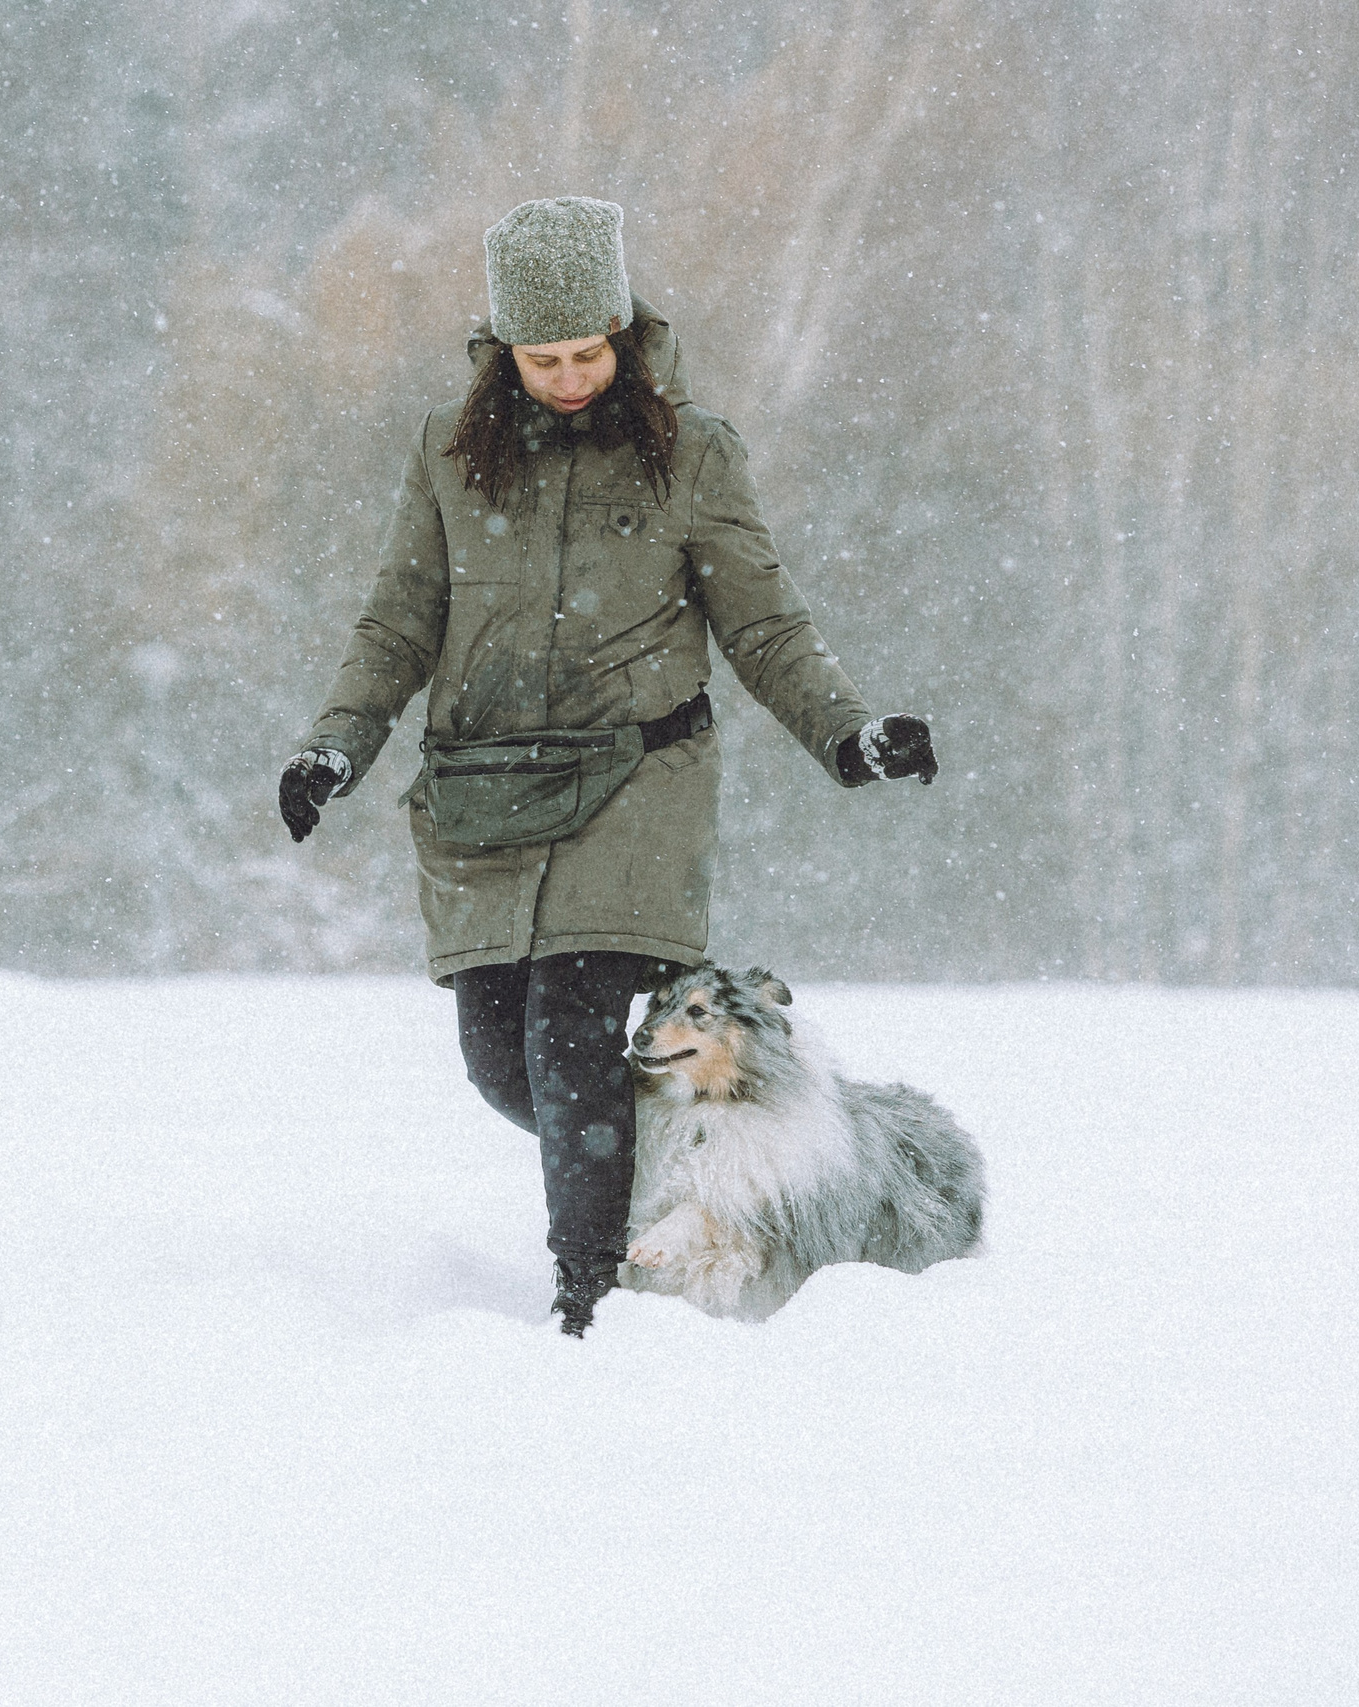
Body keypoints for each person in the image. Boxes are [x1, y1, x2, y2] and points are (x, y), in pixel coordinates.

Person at [278, 197, 938, 1336]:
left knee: (572, 1023)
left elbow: (764, 627)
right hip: (484, 791)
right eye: (545, 358)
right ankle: (742, 1150)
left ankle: (590, 1299)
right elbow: (398, 621)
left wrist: (850, 732)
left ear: (623, 337)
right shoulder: (446, 452)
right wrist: (336, 743)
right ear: (504, 349)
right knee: (503, 1063)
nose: (572, 375)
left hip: (638, 783)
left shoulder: (692, 454)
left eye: (590, 352)